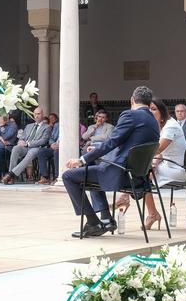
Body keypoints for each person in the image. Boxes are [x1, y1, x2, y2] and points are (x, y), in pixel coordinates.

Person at [64, 86, 159, 238]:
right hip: (138, 177)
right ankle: (106, 219)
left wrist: (81, 160)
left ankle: (93, 223)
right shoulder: (153, 121)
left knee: (69, 176)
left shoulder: (130, 115)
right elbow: (128, 145)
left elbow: (112, 142)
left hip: (122, 174)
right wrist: (95, 154)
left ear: (132, 100)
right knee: (93, 167)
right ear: (148, 103)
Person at [116, 98, 186, 230]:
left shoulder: (170, 125)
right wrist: (153, 162)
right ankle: (147, 210)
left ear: (162, 112)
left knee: (143, 173)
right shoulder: (159, 125)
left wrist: (146, 159)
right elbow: (158, 154)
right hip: (168, 165)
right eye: (148, 109)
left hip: (178, 168)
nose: (150, 112)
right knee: (143, 171)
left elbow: (158, 149)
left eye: (154, 109)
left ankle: (131, 200)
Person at [3, 107, 50, 184]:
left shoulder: (47, 127)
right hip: (25, 147)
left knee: (31, 153)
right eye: (35, 114)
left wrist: (28, 144)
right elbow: (22, 137)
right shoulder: (29, 126)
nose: (37, 116)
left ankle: (11, 174)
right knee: (15, 148)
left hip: (36, 148)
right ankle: (11, 177)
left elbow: (43, 141)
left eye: (38, 114)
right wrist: (20, 141)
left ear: (42, 114)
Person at [37, 113, 59, 184]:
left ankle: (57, 177)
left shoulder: (73, 125)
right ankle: (45, 177)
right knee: (42, 151)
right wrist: (52, 144)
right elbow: (51, 138)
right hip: (55, 146)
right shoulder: (57, 125)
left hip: (64, 148)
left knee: (56, 152)